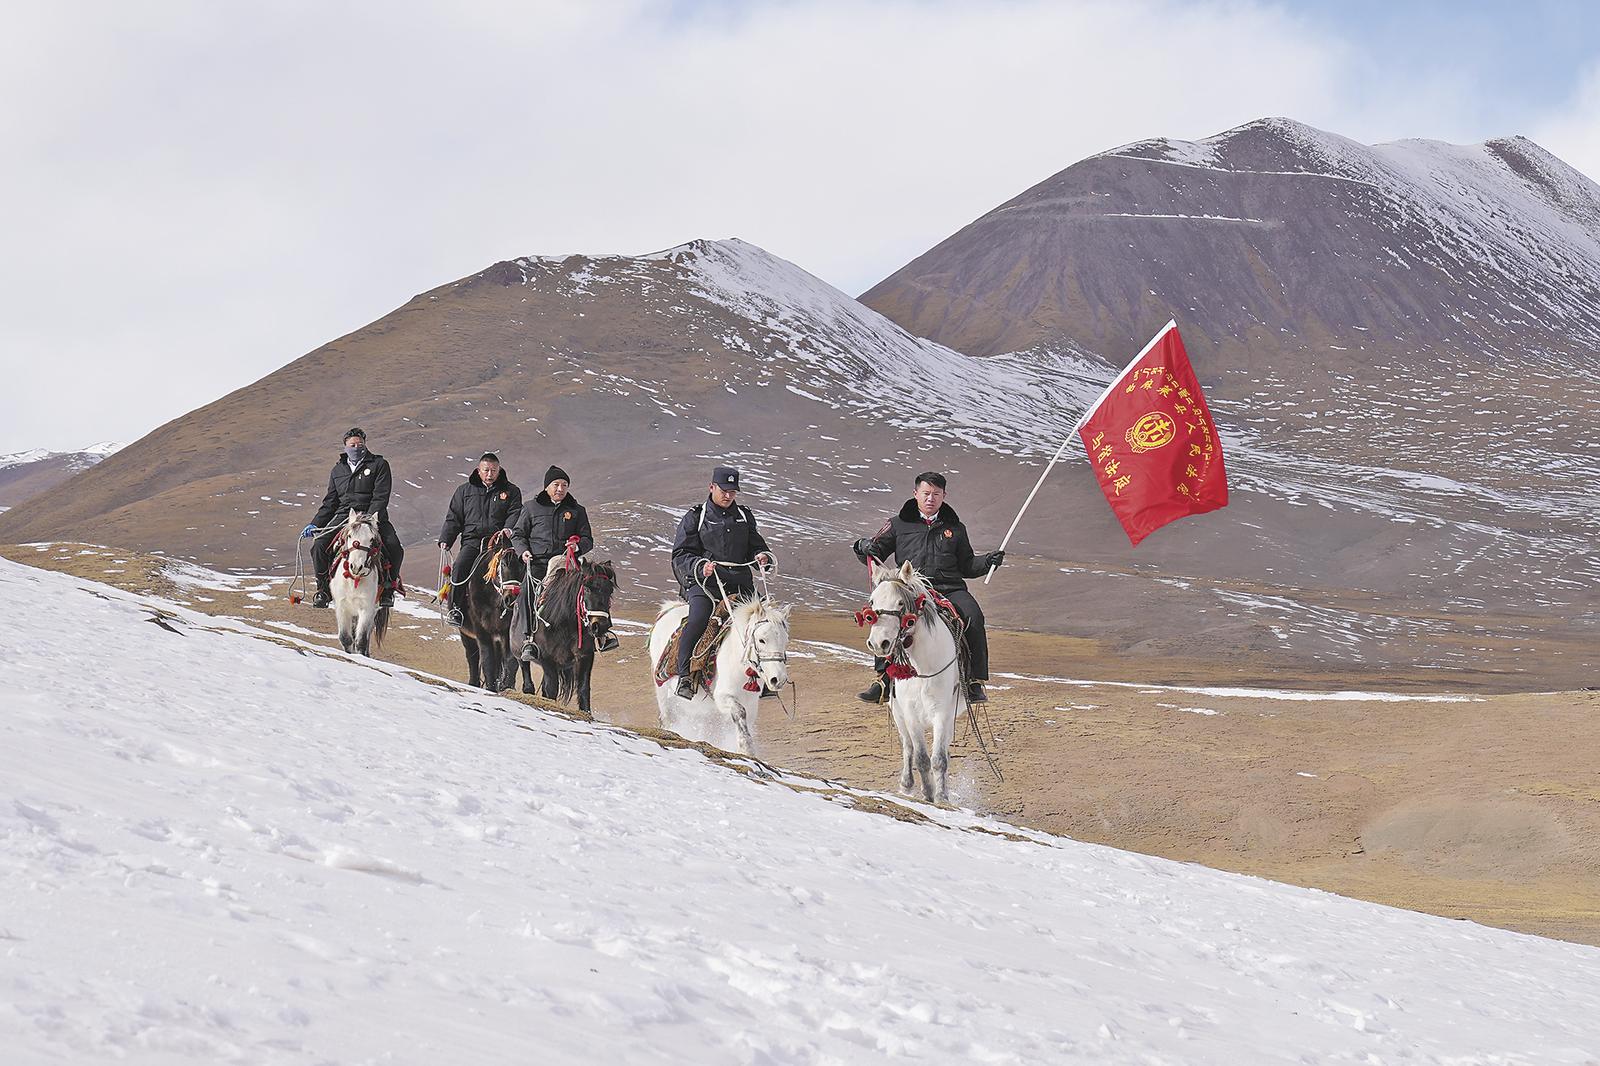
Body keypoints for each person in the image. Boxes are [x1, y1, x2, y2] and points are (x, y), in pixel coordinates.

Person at [852, 471, 1004, 703]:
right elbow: (874, 552)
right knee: (886, 615)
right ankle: (884, 680)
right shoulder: (897, 525)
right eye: (926, 493)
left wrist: (987, 561)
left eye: (936, 494)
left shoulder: (956, 528)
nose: (930, 498)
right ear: (916, 494)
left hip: (949, 588)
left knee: (974, 615)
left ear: (944, 496)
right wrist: (861, 547)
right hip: (909, 589)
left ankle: (974, 680)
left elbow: (967, 565)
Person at [668, 465, 775, 699]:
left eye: (733, 491)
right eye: (724, 490)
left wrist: (762, 556)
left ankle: (766, 676)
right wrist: (700, 566)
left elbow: (756, 545)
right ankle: (685, 676)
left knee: (765, 623)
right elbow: (680, 554)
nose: (728, 496)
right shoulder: (696, 516)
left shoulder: (744, 516)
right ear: (712, 487)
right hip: (705, 585)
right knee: (698, 620)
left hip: (740, 586)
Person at [509, 465, 617, 656]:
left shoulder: (577, 510)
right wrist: (523, 552)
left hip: (568, 566)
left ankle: (602, 636)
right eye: (556, 484)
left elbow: (587, 539)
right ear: (546, 487)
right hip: (539, 563)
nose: (560, 489)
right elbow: (518, 534)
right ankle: (528, 639)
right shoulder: (531, 508)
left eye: (564, 485)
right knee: (526, 592)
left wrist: (577, 547)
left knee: (595, 589)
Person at [301, 428, 406, 608]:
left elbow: (381, 496)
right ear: (345, 447)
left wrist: (370, 519)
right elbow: (330, 502)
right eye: (352, 445)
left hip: (373, 516)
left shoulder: (379, 465)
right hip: (344, 517)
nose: (356, 447)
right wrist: (315, 524)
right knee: (318, 547)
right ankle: (323, 590)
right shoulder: (337, 470)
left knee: (395, 547)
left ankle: (388, 588)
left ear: (365, 444)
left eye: (360, 444)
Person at [437, 452, 523, 621]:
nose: (490, 474)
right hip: (472, 540)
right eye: (486, 470)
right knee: (460, 567)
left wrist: (508, 529)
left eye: (493, 470)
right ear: (478, 470)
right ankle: (456, 609)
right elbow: (454, 517)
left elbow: (515, 512)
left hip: (500, 542)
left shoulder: (511, 491)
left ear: (499, 470)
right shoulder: (464, 491)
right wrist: (446, 539)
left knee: (514, 569)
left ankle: (518, 611)